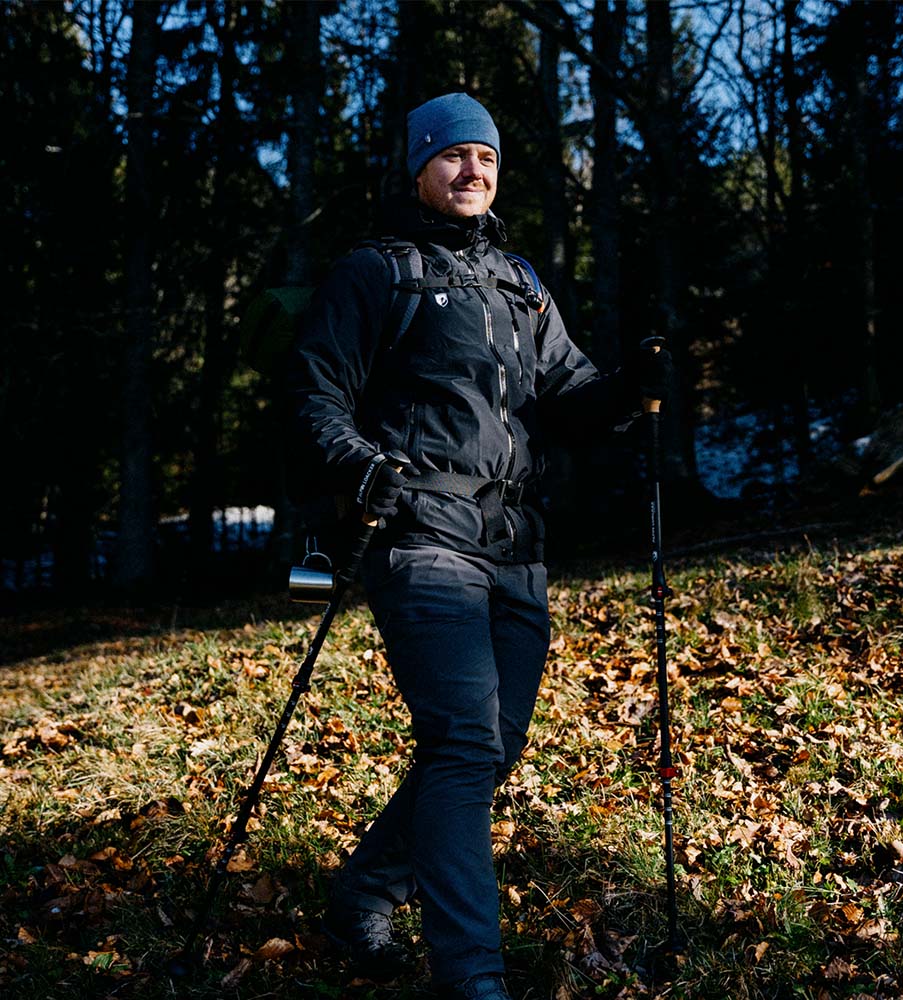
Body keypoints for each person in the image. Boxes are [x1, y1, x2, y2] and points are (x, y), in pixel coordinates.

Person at [287, 93, 672, 999]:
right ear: (419, 168)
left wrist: (628, 388)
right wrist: (361, 466)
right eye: (454, 155)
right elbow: (314, 396)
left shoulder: (520, 283)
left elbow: (569, 399)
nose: (474, 171)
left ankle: (362, 896)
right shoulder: (377, 272)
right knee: (463, 744)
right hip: (421, 539)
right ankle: (473, 977)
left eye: (487, 158)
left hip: (515, 547)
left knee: (492, 747)